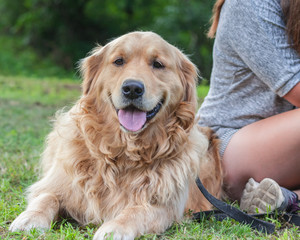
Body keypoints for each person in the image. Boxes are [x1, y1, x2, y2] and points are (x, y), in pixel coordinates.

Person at [198, 0, 300, 214]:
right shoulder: (248, 4)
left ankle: (287, 198)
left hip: (281, 149)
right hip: (224, 149)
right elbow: (296, 89)